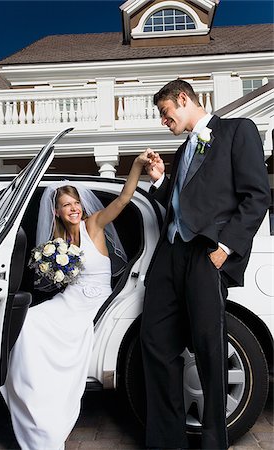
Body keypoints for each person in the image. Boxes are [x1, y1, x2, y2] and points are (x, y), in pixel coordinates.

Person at [140, 79, 271, 450]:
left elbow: (256, 196)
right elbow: (180, 202)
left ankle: (215, 442)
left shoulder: (236, 131)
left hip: (205, 253)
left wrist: (225, 248)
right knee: (155, 342)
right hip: (169, 255)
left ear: (183, 99)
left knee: (210, 349)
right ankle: (167, 442)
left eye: (165, 113)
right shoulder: (183, 149)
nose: (163, 121)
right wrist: (161, 178)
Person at [0, 149, 153, 450]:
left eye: (75, 203)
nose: (73, 208)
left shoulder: (93, 225)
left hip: (93, 303)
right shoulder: (58, 242)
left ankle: (51, 415)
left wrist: (135, 166)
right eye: (65, 205)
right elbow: (56, 282)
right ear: (56, 211)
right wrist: (54, 270)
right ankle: (33, 402)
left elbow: (123, 199)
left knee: (50, 331)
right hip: (68, 299)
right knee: (27, 322)